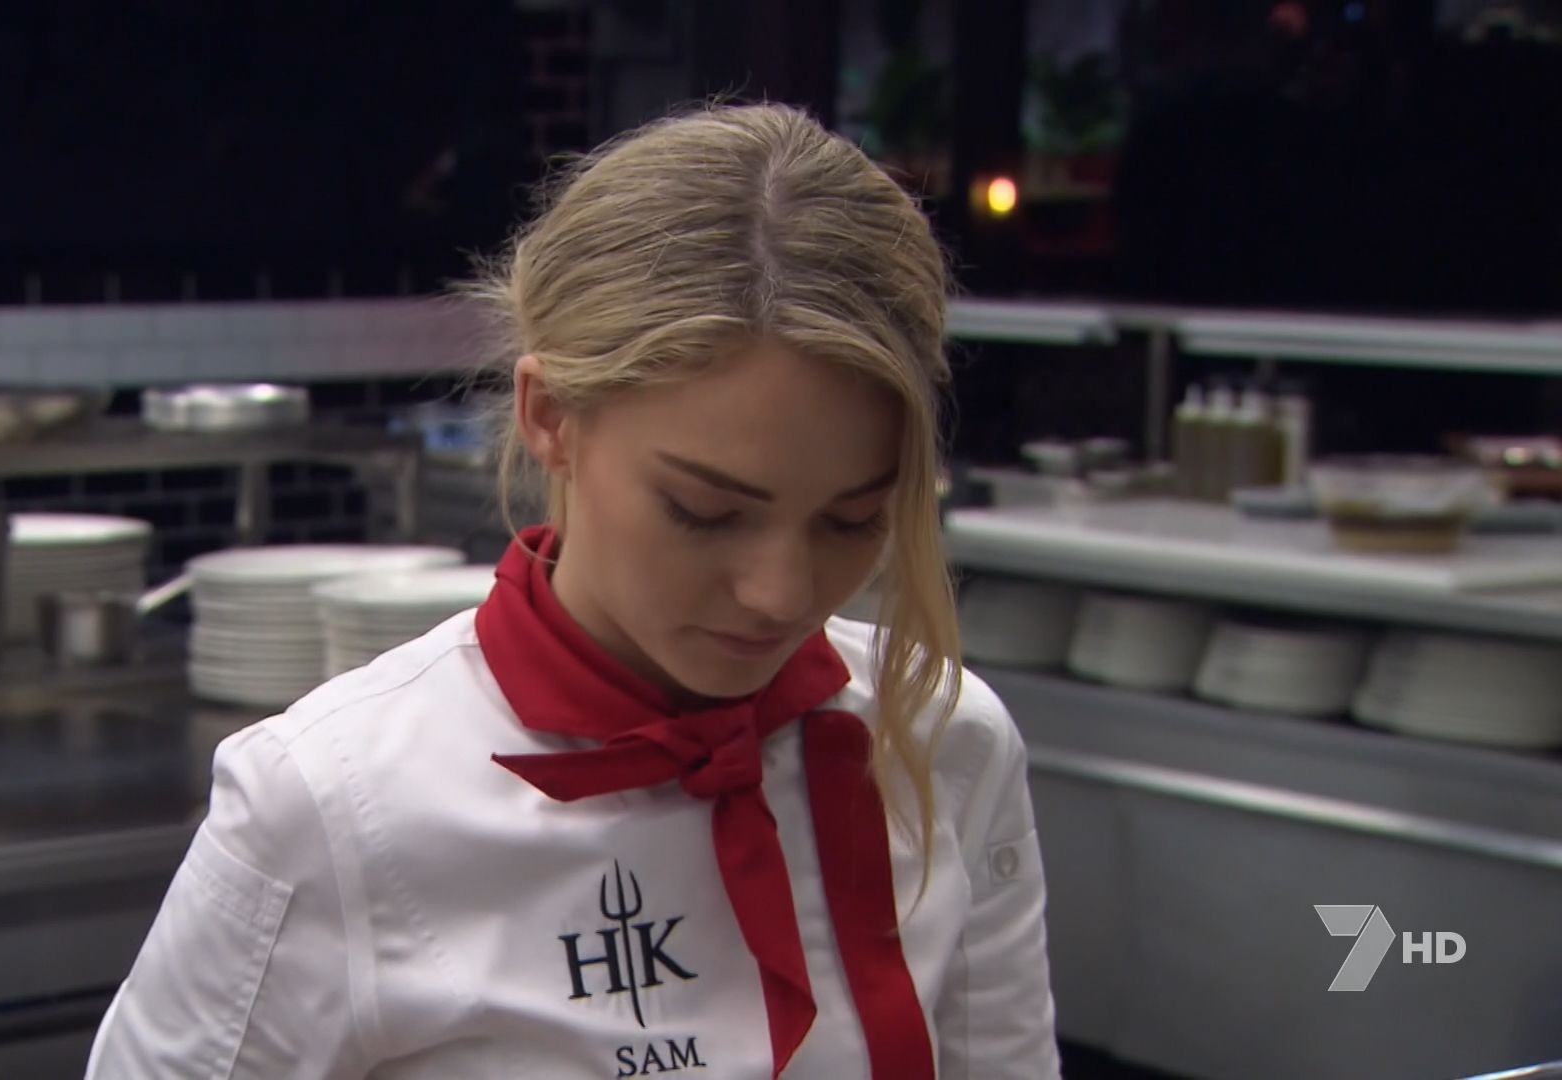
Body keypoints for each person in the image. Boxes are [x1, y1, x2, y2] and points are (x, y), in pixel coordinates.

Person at [86, 102, 1059, 1079]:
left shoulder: (944, 742)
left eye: (851, 520)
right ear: (550, 416)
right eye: (705, 512)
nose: (780, 593)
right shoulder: (333, 806)